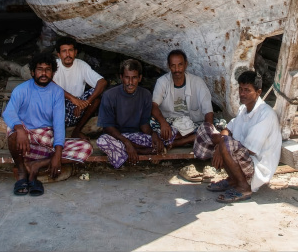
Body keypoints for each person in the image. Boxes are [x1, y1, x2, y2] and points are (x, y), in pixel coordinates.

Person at [3, 51, 92, 196]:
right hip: (25, 141)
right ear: (32, 72)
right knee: (12, 134)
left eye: (48, 69)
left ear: (52, 72)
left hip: (46, 142)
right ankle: (21, 172)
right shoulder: (21, 90)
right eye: (40, 69)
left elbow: (58, 124)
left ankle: (37, 165)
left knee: (86, 147)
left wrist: (57, 155)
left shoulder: (57, 92)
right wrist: (19, 129)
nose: (43, 73)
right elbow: (8, 113)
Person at [193, 70, 281, 203]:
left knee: (227, 143)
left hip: (257, 167)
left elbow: (250, 150)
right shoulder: (243, 109)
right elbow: (227, 129)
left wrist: (222, 146)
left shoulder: (266, 114)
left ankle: (243, 187)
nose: (242, 93)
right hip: (242, 156)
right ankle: (233, 180)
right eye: (240, 89)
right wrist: (219, 147)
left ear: (258, 92)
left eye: (247, 90)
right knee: (206, 129)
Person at [96, 59, 175, 168]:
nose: (130, 82)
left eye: (134, 78)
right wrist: (126, 143)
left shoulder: (145, 95)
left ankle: (133, 151)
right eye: (127, 77)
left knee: (166, 136)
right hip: (117, 137)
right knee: (102, 141)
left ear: (140, 78)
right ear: (121, 77)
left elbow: (144, 124)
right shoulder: (109, 96)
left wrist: (153, 135)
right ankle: (144, 151)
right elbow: (107, 127)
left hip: (136, 136)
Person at [151, 49, 214, 148]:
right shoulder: (162, 82)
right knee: (151, 123)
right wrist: (163, 123)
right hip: (169, 124)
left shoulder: (197, 82)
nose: (177, 69)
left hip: (193, 124)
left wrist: (207, 129)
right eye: (173, 66)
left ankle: (177, 142)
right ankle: (191, 139)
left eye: (180, 65)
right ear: (168, 66)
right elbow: (154, 106)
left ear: (186, 64)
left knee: (216, 127)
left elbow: (208, 110)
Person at [53, 36, 107, 140]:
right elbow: (49, 84)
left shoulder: (81, 65)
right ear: (59, 54)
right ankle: (58, 134)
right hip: (60, 107)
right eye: (64, 51)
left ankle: (76, 131)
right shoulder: (54, 66)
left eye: (71, 50)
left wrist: (86, 102)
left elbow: (102, 82)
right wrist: (73, 99)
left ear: (75, 52)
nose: (68, 54)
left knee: (96, 97)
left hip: (78, 108)